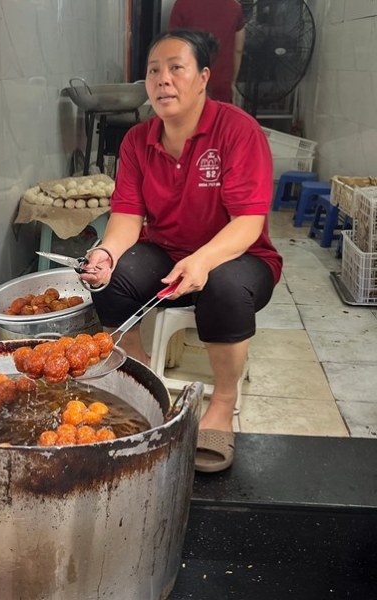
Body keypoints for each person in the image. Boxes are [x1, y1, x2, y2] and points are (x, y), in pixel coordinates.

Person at [80, 29, 282, 473]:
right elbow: (128, 216)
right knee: (111, 279)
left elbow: (248, 221)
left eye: (176, 68)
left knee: (224, 287)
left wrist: (204, 260)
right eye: (154, 71)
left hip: (240, 257)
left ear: (203, 77)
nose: (163, 80)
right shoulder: (137, 141)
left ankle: (222, 403)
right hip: (167, 251)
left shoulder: (237, 131)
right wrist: (107, 253)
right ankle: (139, 375)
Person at [168, 0, 246, 103]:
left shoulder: (182, 4)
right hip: (221, 83)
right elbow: (238, 50)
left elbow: (172, 47)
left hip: (189, 82)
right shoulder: (234, 6)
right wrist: (232, 82)